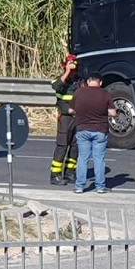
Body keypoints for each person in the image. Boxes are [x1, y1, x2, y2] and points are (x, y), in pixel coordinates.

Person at [72, 71, 117, 194]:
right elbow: (113, 113)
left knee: (82, 158)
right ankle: (100, 187)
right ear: (100, 82)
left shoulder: (79, 92)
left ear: (87, 82)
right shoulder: (106, 94)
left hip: (82, 129)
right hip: (100, 130)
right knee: (99, 159)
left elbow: (71, 109)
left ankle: (79, 186)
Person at [49, 54, 80, 185]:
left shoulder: (80, 82)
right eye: (70, 66)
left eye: (74, 67)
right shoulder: (59, 80)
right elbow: (56, 87)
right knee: (62, 146)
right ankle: (55, 175)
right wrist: (67, 72)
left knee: (75, 147)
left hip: (78, 118)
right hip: (65, 118)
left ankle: (70, 172)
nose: (73, 70)